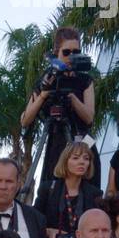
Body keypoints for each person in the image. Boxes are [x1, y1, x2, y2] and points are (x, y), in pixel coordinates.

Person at [21, 26, 98, 193]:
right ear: (56, 53)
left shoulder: (85, 80)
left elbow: (89, 118)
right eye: (67, 52)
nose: (71, 57)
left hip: (83, 143)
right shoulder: (47, 79)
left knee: (86, 195)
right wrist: (43, 95)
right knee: (53, 193)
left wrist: (71, 96)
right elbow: (25, 120)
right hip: (56, 144)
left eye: (76, 52)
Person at [35, 139, 101, 238]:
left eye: (86, 158)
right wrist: (49, 232)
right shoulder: (48, 188)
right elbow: (34, 221)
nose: (82, 162)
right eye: (75, 158)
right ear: (65, 161)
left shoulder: (94, 193)